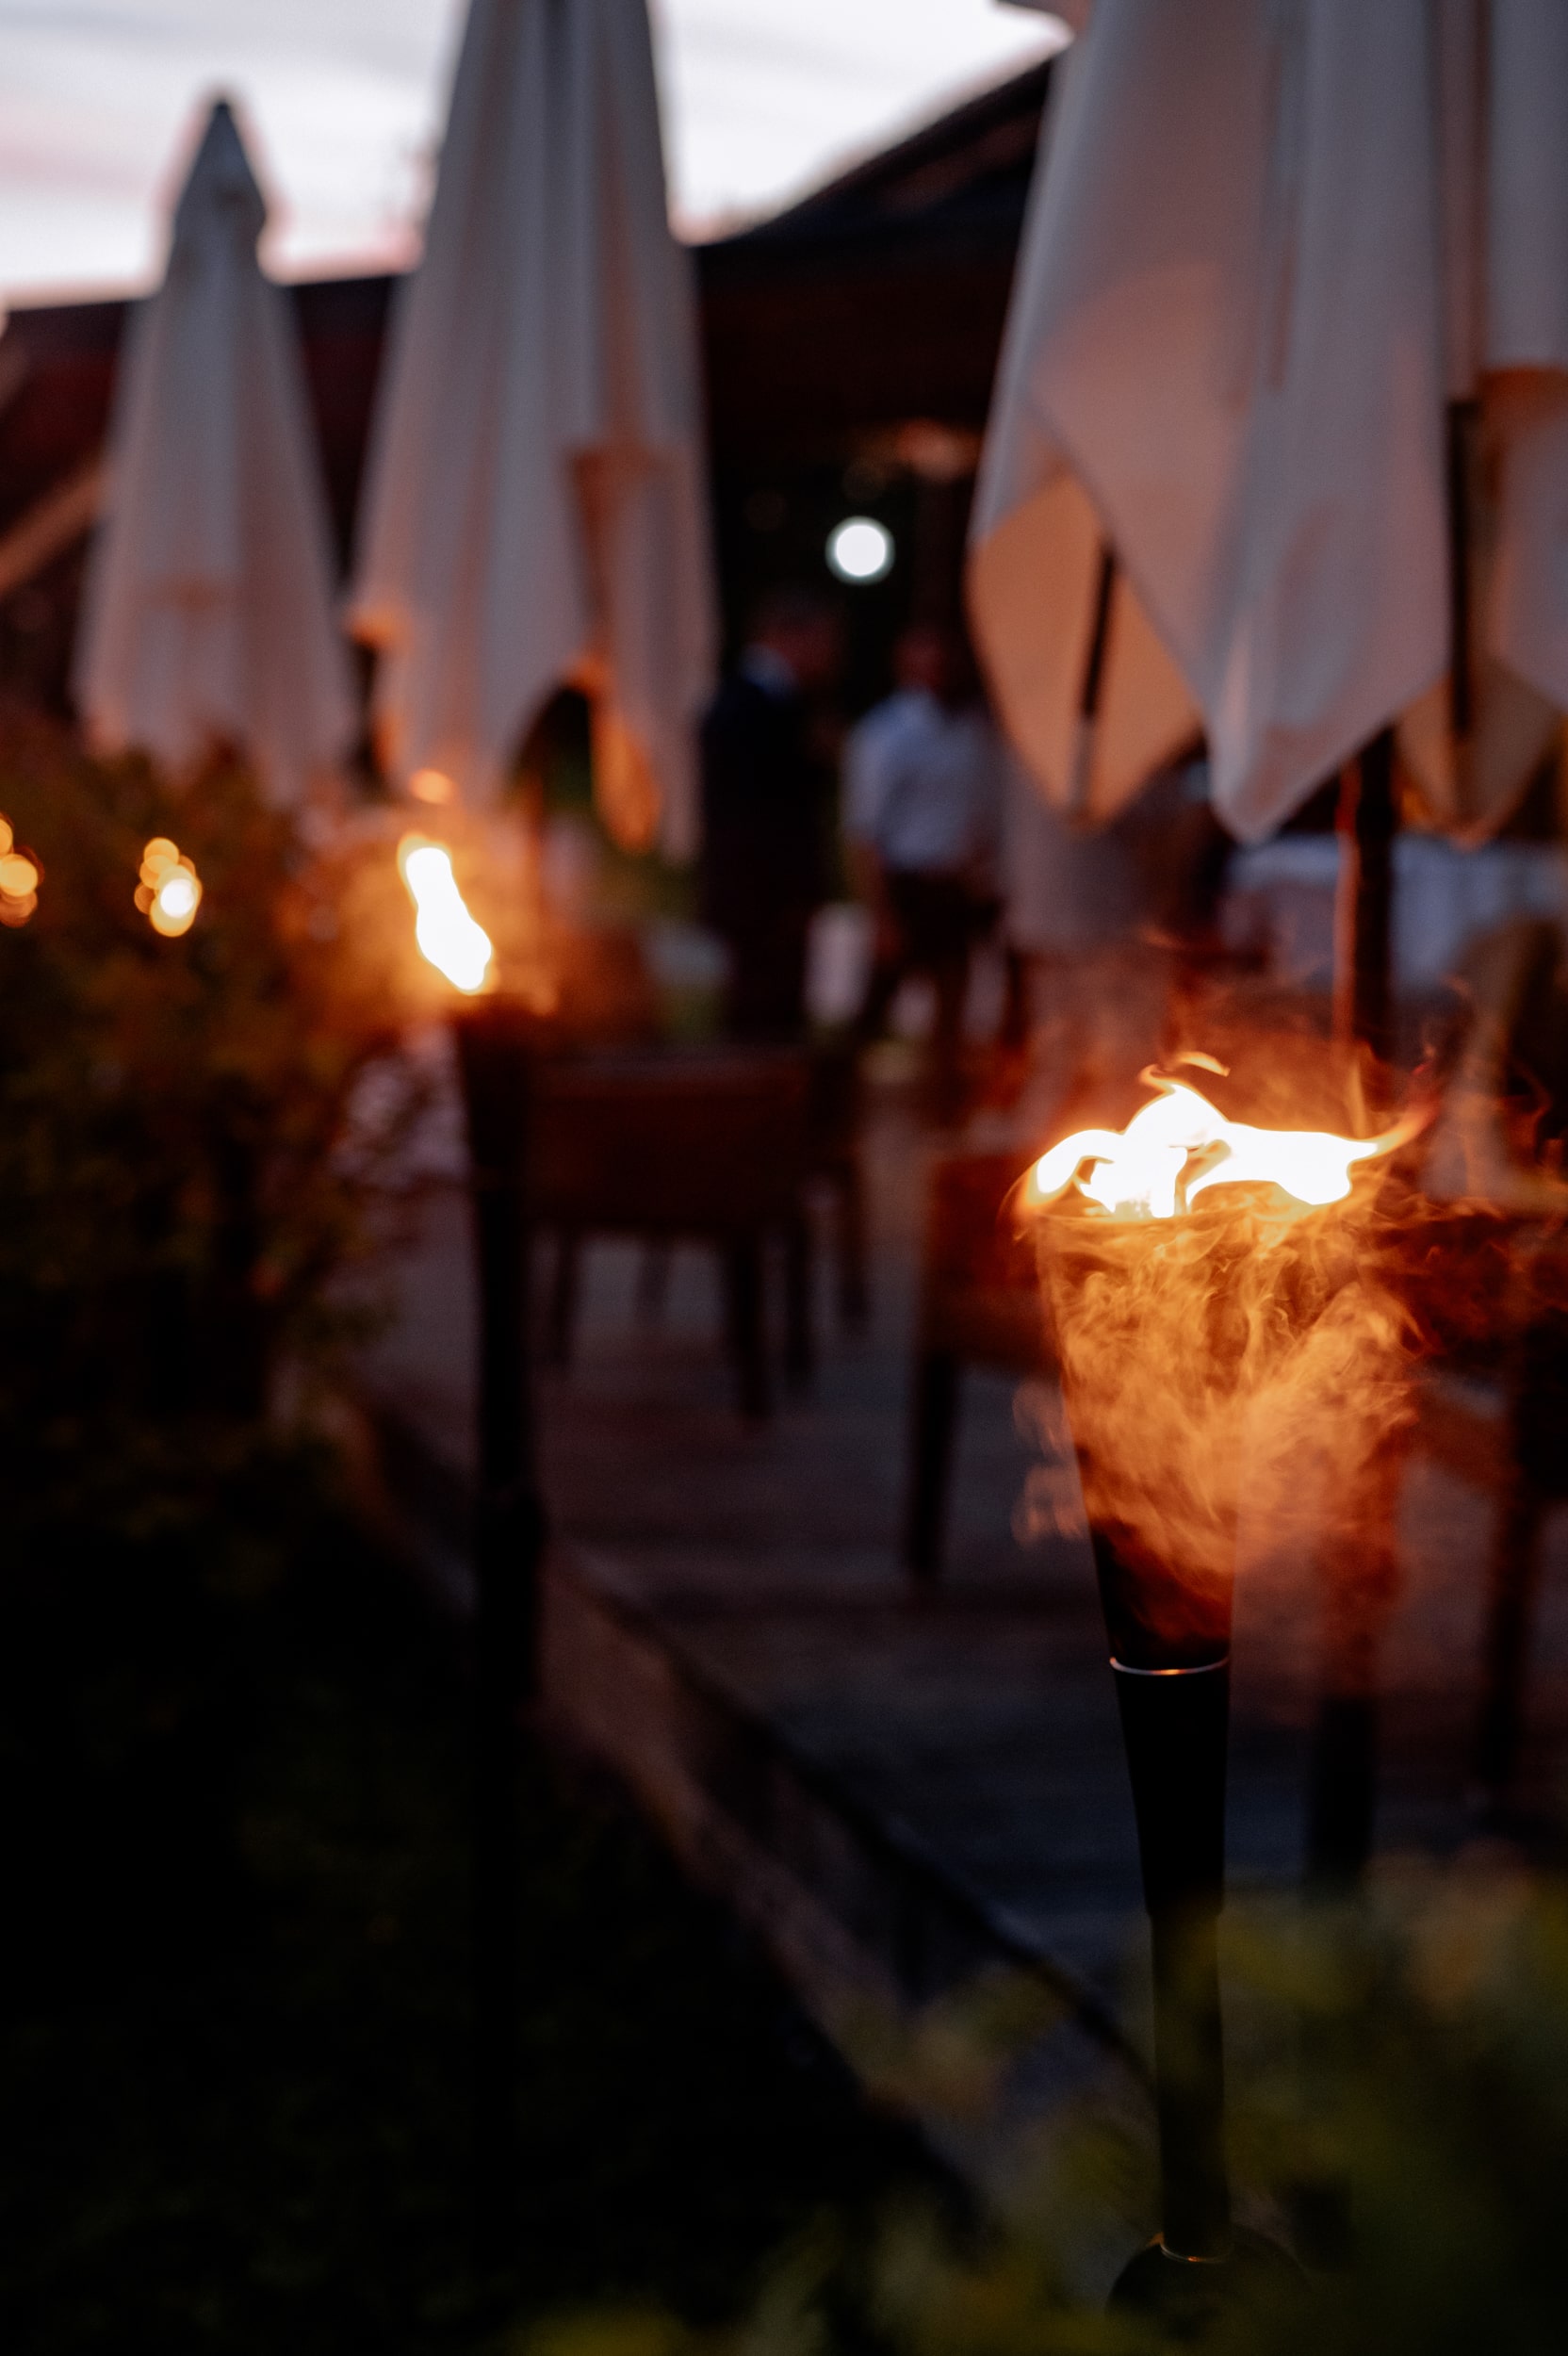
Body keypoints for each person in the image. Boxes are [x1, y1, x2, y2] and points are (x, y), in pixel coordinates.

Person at [845, 622, 1004, 1120]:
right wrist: (881, 913)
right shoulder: (887, 732)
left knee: (952, 1013)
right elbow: (864, 832)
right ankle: (835, 1112)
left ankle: (943, 1115)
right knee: (874, 1010)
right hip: (907, 886)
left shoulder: (974, 730)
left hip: (954, 889)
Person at [699, 588, 841, 1039]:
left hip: (770, 890)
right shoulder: (747, 706)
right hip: (761, 890)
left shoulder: (782, 704)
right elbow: (757, 803)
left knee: (776, 1001)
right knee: (761, 1007)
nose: (829, 655)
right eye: (822, 641)